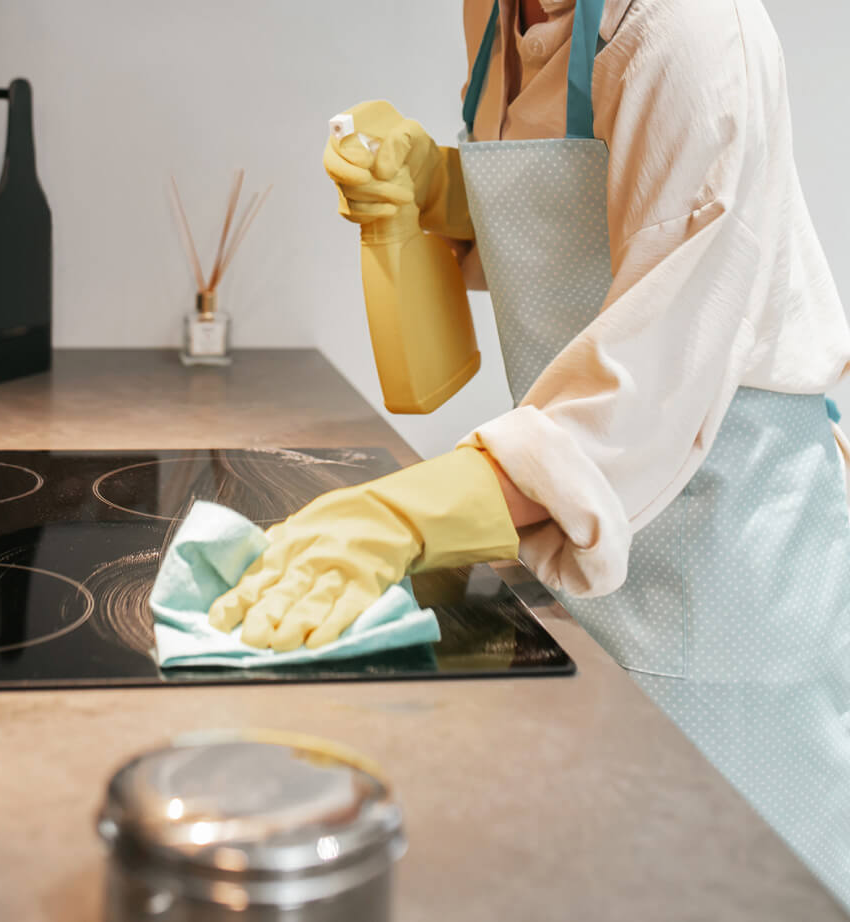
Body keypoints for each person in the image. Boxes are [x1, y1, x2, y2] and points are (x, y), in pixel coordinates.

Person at [208, 0, 850, 907]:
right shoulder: (493, 15)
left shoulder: (694, 35)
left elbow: (655, 370)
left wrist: (402, 514)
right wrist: (438, 189)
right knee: (611, 874)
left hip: (729, 555)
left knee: (739, 888)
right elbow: (590, 214)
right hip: (580, 527)